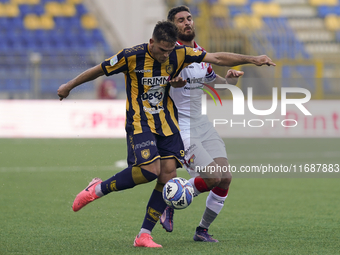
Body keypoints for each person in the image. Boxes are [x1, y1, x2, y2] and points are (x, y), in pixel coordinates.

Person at [58, 21, 275, 248]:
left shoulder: (179, 53)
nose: (165, 55)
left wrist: (254, 60)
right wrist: (69, 86)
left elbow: (217, 59)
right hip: (140, 121)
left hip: (167, 123)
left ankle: (144, 235)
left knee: (167, 176)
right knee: (150, 171)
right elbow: (98, 70)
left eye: (169, 50)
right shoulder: (131, 56)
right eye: (162, 50)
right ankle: (97, 189)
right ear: (152, 43)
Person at [158, 5, 272, 243]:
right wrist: (253, 60)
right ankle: (168, 198)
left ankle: (202, 230)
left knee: (225, 177)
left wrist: (229, 80)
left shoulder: (200, 54)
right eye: (181, 20)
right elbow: (162, 83)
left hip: (202, 124)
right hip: (181, 128)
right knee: (212, 177)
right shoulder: (169, 55)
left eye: (189, 18)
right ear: (172, 26)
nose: (188, 22)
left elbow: (216, 83)